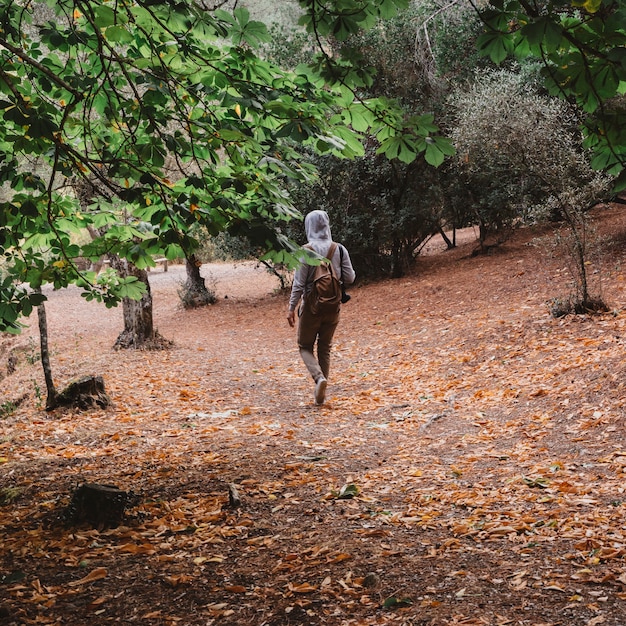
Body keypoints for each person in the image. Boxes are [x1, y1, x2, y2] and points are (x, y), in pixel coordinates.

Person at [287, 210, 355, 405]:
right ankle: (321, 394)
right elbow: (350, 278)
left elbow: (299, 284)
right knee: (325, 347)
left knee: (304, 345)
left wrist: (291, 308)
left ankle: (319, 379)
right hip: (333, 306)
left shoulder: (305, 251)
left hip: (311, 307)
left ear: (308, 226)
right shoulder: (339, 249)